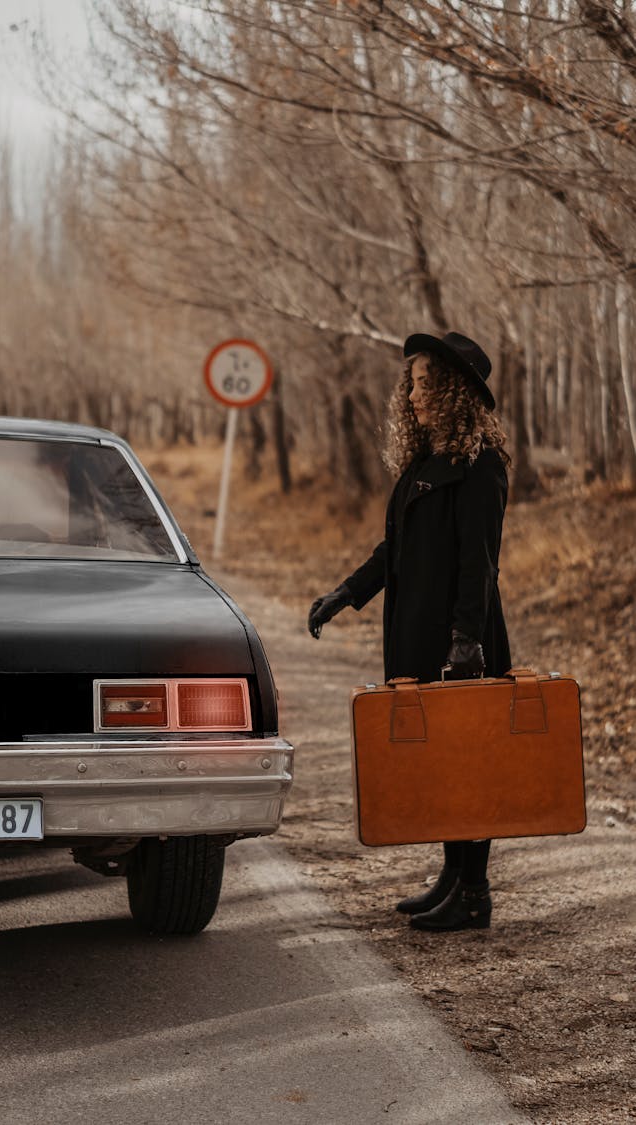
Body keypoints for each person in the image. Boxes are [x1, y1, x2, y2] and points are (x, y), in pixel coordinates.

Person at [307, 331, 512, 932]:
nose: (414, 394)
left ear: (453, 392)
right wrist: (349, 592)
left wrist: (466, 641)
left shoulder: (480, 469)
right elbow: (395, 547)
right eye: (413, 383)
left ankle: (475, 892)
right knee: (439, 765)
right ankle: (452, 878)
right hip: (418, 633)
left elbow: (480, 561)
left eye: (426, 383)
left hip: (459, 639)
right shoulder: (425, 466)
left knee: (467, 765)